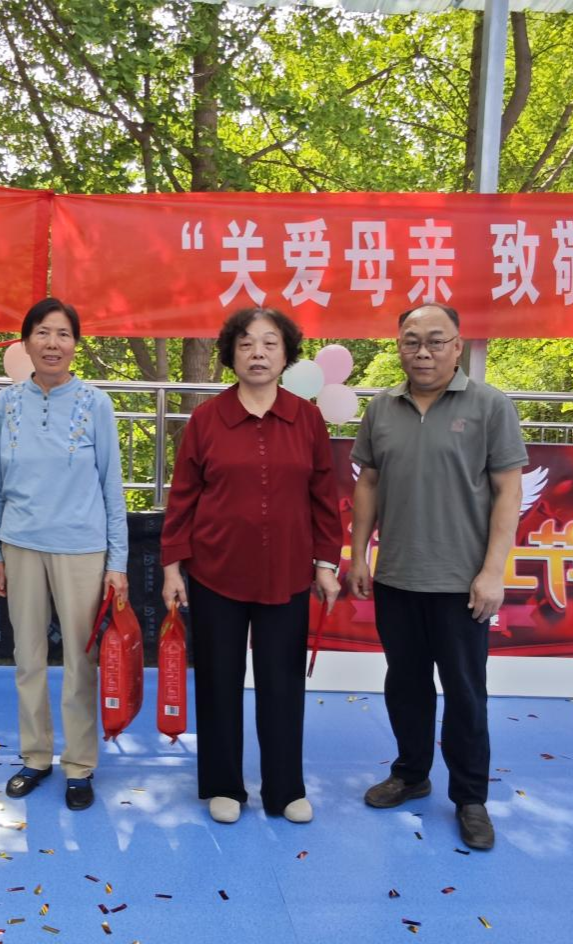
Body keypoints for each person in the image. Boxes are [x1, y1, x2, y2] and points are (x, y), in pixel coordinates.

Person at [348, 302, 526, 851]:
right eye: (411, 340)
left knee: (466, 694)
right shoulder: (381, 408)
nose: (422, 352)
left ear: (457, 346)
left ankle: (470, 798)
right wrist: (358, 555)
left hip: (462, 583)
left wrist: (493, 571)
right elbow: (368, 483)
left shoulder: (490, 405)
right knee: (405, 685)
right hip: (397, 576)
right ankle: (411, 773)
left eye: (435, 340)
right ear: (399, 346)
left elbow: (508, 491)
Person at [160, 307, 343, 825]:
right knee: (218, 680)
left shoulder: (307, 419)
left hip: (288, 572)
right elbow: (183, 498)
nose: (257, 353)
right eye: (245, 344)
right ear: (231, 355)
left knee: (282, 683)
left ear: (286, 355)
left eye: (269, 343)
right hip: (216, 570)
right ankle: (224, 785)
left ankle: (285, 789)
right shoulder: (206, 419)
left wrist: (326, 564)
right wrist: (173, 567)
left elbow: (324, 497)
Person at [0, 297, 128, 812]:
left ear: (75, 344)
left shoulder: (95, 404)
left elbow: (112, 488)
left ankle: (79, 764)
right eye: (42, 333)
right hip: (19, 546)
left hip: (82, 550)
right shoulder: (7, 403)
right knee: (27, 659)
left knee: (80, 662)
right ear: (26, 342)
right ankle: (36, 756)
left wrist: (117, 564)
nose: (52, 343)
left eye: (63, 334)